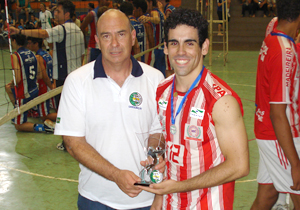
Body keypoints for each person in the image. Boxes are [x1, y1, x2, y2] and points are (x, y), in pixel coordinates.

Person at [137, 8, 249, 209]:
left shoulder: (221, 101)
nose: (180, 52)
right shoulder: (163, 89)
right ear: (165, 48)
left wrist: (179, 187)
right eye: (174, 43)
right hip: (171, 202)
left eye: (189, 43)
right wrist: (160, 196)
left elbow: (239, 166)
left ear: (204, 47)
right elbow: (173, 143)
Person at [54, 9, 165, 209]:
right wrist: (115, 175)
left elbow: (158, 129)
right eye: (106, 36)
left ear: (132, 37)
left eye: (121, 34)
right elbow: (72, 143)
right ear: (97, 41)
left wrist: (154, 152)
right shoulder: (77, 81)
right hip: (95, 199)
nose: (114, 44)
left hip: (146, 197)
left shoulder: (155, 78)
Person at [250, 0, 300, 209]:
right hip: (279, 134)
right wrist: (295, 163)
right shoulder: (284, 52)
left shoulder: (273, 30)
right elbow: (278, 113)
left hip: (269, 131)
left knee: (268, 194)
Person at [9, 0, 85, 110]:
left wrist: (19, 31)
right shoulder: (79, 31)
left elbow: (43, 33)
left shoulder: (62, 29)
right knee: (74, 108)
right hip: (77, 77)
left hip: (63, 78)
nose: (55, 14)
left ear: (67, 14)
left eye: (58, 12)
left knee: (63, 109)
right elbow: (82, 56)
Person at [5, 34, 54, 133]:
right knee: (8, 88)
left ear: (14, 41)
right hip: (34, 90)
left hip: (24, 93)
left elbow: (18, 79)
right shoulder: (32, 54)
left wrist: (14, 82)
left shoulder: (15, 55)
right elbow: (39, 75)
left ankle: (44, 128)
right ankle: (19, 113)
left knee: (18, 126)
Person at [26, 36, 57, 123]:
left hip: (45, 87)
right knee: (55, 108)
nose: (28, 45)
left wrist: (51, 87)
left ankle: (65, 119)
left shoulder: (38, 57)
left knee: (43, 116)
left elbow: (44, 76)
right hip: (52, 84)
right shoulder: (48, 54)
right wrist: (53, 84)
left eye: (29, 43)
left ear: (36, 44)